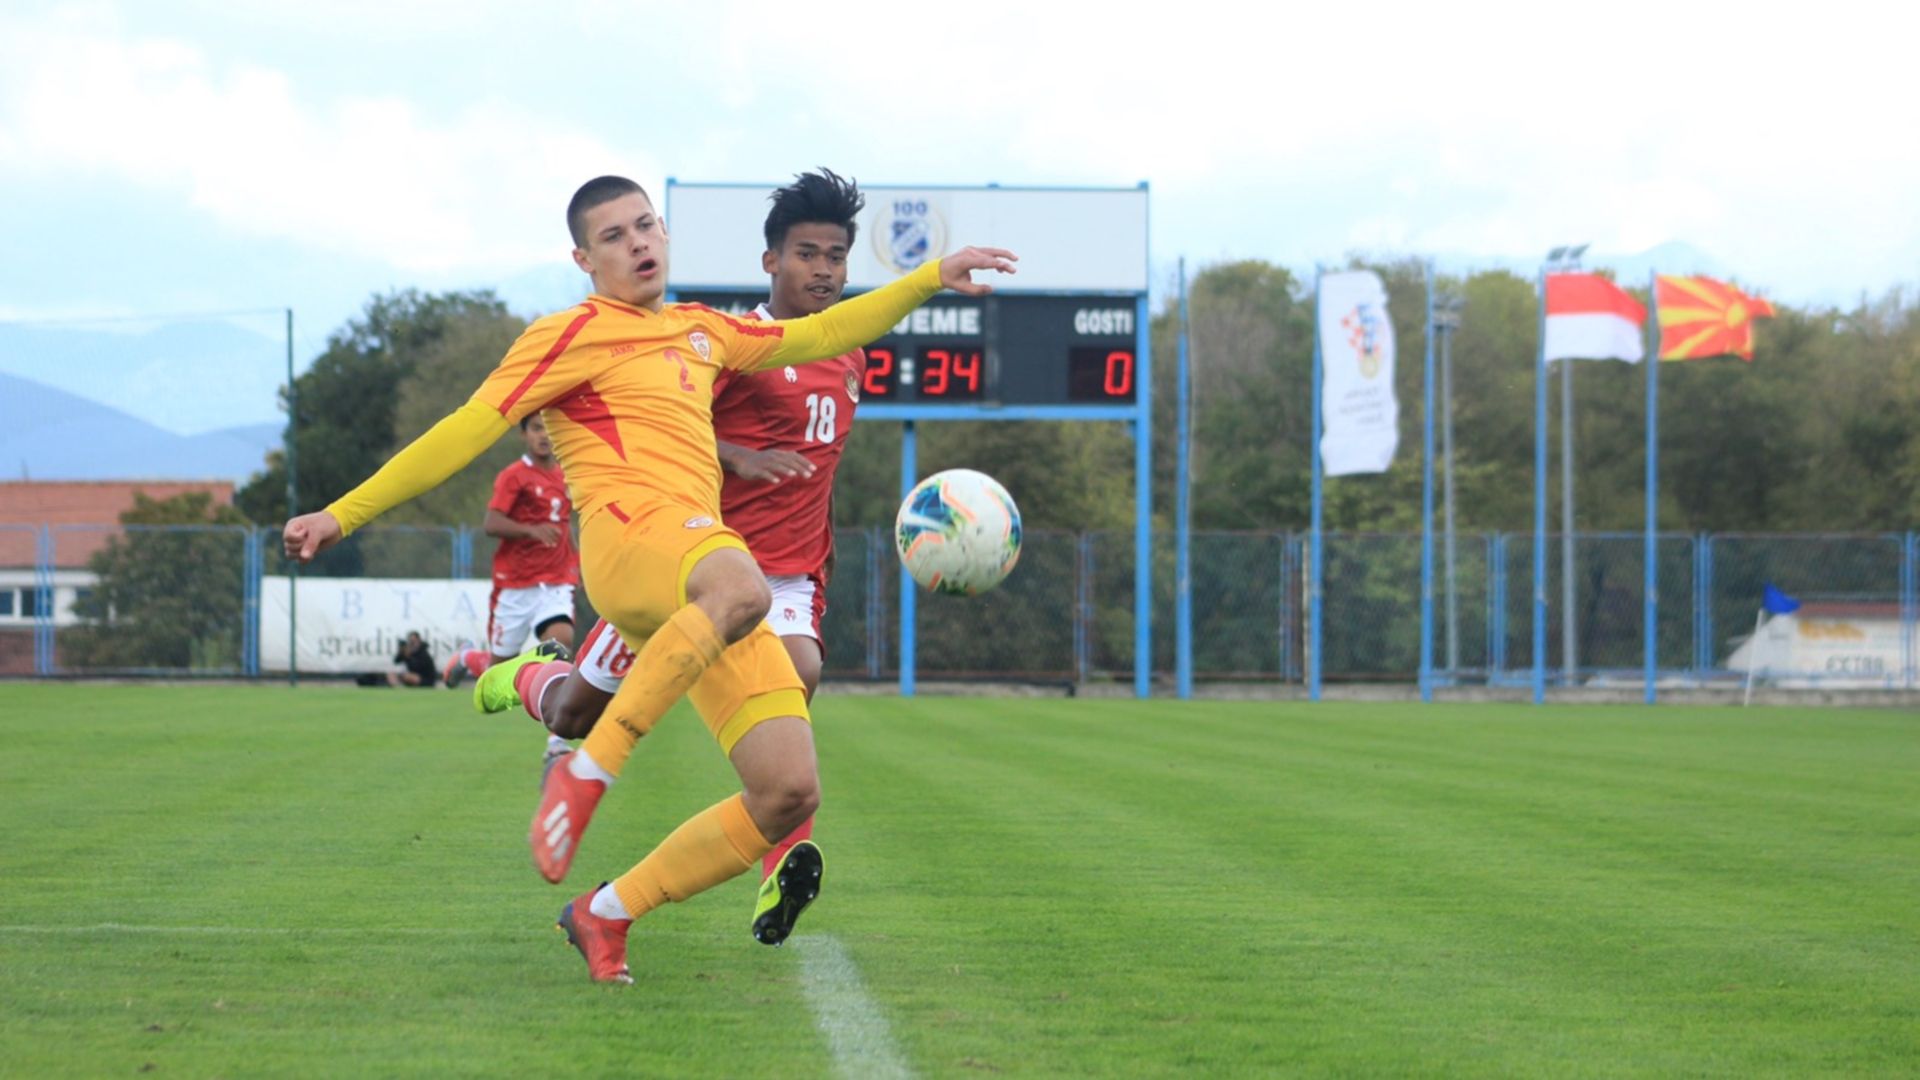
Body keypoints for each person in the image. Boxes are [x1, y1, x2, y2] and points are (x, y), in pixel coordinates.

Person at [282, 174, 1016, 984]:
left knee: (788, 793)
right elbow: (463, 430)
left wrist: (924, 279)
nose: (637, 244)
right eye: (613, 236)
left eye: (646, 227)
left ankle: (606, 911)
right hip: (639, 553)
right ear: (583, 260)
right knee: (740, 591)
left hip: (698, 574)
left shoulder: (705, 332)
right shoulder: (567, 334)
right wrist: (340, 515)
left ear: (664, 235)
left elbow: (824, 332)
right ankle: (586, 773)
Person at [477, 168, 868, 946]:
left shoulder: (848, 357)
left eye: (835, 257)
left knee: (796, 684)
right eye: (806, 255)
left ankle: (775, 870)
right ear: (771, 263)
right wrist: (738, 455)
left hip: (780, 579)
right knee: (571, 713)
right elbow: (665, 424)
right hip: (685, 570)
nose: (822, 270)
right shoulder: (721, 345)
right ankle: (520, 673)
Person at [444, 414, 579, 692]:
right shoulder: (513, 476)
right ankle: (470, 658)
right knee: (497, 677)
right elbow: (491, 523)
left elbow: (565, 525)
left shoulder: (566, 475)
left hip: (555, 581)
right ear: (524, 435)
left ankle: (558, 736)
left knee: (561, 646)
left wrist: (578, 564)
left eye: (548, 429)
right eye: (536, 429)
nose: (543, 436)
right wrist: (531, 530)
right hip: (516, 583)